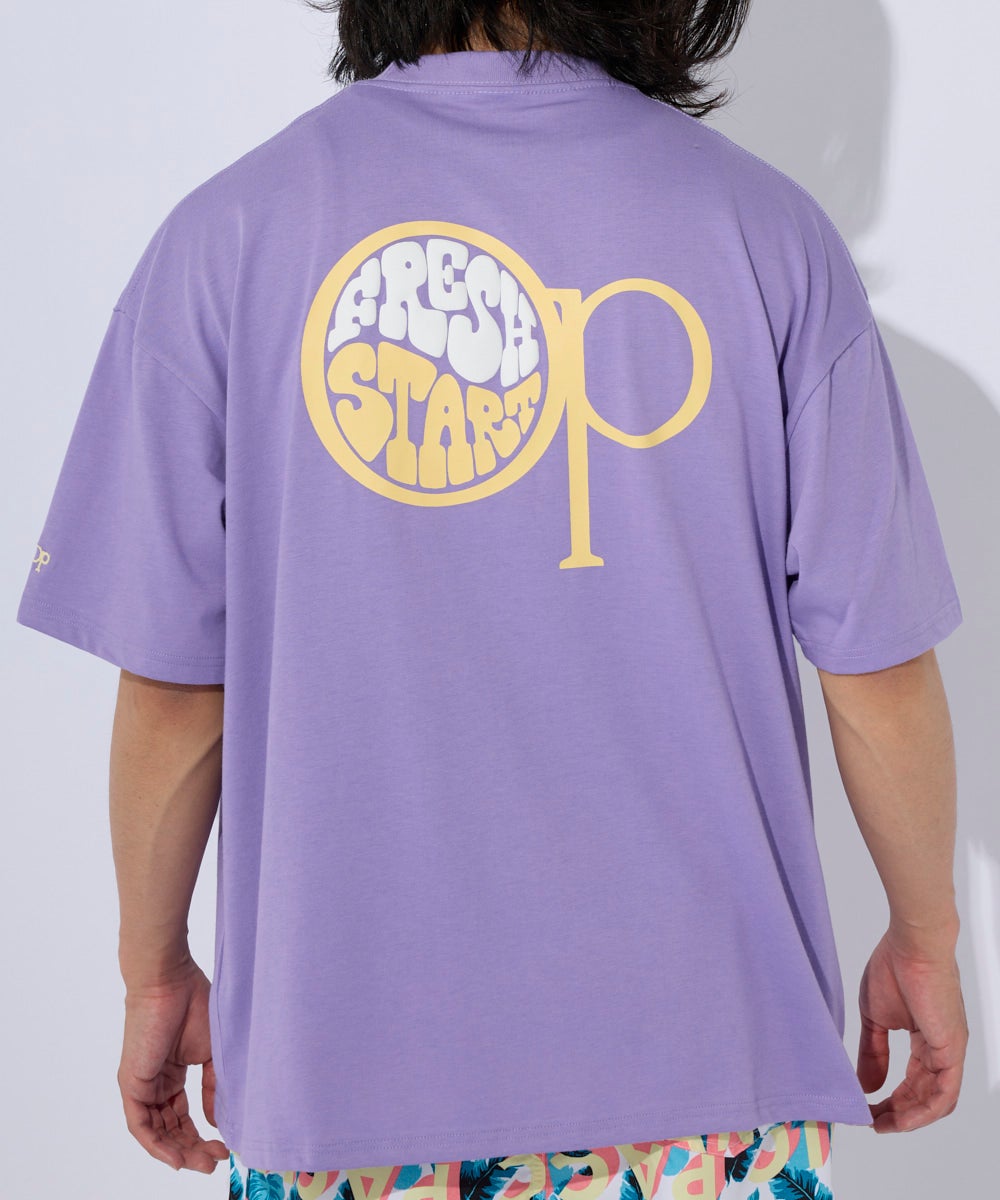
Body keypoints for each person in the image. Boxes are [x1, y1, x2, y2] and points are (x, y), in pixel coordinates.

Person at [14, 1, 969, 1197]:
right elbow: (874, 671)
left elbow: (173, 693)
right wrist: (926, 940)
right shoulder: (767, 234)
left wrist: (153, 974)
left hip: (342, 1084)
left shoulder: (228, 238)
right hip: (709, 1083)